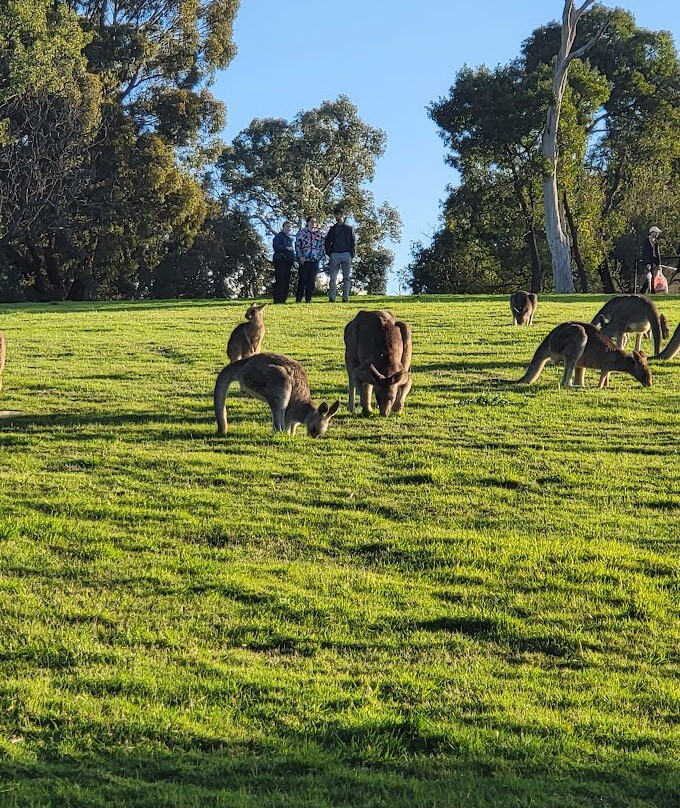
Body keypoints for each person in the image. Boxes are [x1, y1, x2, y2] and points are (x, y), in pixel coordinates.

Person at [325, 207, 356, 302]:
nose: (336, 216)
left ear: (343, 215)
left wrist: (351, 254)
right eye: (335, 214)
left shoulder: (349, 229)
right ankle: (332, 298)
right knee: (333, 278)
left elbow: (353, 242)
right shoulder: (333, 229)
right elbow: (327, 242)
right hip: (335, 255)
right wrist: (330, 253)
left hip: (346, 254)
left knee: (346, 278)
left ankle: (345, 298)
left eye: (338, 214)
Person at [295, 216, 325, 303]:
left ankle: (308, 299)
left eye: (315, 222)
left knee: (311, 281)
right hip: (304, 260)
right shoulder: (301, 233)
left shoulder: (319, 235)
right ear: (308, 222)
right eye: (312, 221)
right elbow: (297, 245)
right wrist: (300, 257)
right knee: (302, 279)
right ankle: (298, 299)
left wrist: (319, 257)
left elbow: (322, 247)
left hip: (315, 261)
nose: (313, 223)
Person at [271, 221, 297, 303]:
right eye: (287, 226)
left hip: (288, 262)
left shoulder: (290, 238)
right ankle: (277, 300)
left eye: (290, 227)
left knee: (286, 280)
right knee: (280, 280)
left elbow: (292, 252)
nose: (289, 228)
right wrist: (286, 248)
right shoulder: (279, 236)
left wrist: (294, 261)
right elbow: (276, 247)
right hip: (280, 260)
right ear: (283, 227)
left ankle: (283, 299)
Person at [640, 225, 662, 294]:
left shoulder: (655, 242)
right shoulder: (646, 242)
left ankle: (644, 291)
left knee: (651, 277)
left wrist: (659, 264)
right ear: (652, 232)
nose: (657, 234)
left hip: (654, 263)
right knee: (649, 276)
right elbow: (645, 253)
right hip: (648, 262)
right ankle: (651, 291)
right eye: (656, 232)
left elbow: (657, 253)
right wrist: (647, 263)